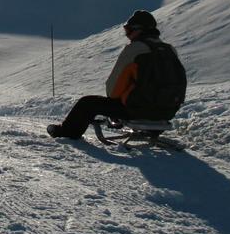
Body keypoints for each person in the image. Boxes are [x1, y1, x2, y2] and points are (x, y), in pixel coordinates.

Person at [47, 9, 185, 139]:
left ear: (138, 30)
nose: (128, 34)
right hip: (168, 111)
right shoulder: (170, 50)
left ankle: (67, 133)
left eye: (129, 30)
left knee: (87, 103)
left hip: (138, 110)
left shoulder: (135, 49)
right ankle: (151, 129)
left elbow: (113, 91)